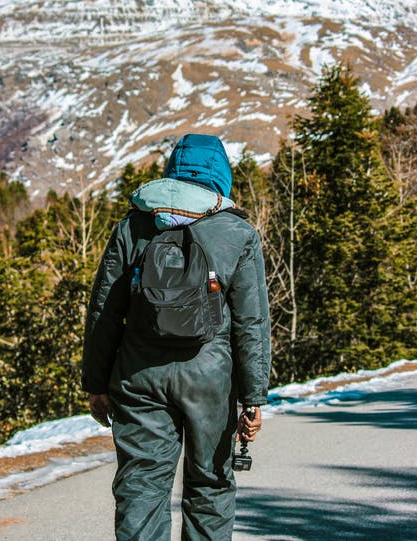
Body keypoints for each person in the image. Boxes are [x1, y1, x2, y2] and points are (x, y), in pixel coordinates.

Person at [82, 133, 271, 540]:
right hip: (211, 382)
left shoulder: (132, 227)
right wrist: (253, 397)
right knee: (210, 486)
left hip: (139, 378)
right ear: (222, 175)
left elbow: (104, 314)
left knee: (142, 487)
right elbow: (251, 323)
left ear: (172, 171)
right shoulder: (238, 234)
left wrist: (96, 385)